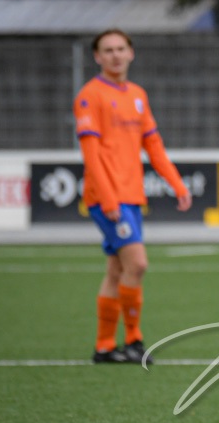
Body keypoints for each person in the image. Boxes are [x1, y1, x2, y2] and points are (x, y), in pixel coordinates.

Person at [74, 28, 192, 364]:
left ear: (131, 53)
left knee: (117, 270)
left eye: (120, 49)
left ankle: (104, 347)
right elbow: (91, 155)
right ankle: (134, 341)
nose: (115, 55)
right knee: (137, 264)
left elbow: (153, 146)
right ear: (97, 57)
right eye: (108, 50)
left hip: (132, 195)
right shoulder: (89, 96)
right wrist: (109, 199)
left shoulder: (138, 95)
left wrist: (177, 184)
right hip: (107, 198)